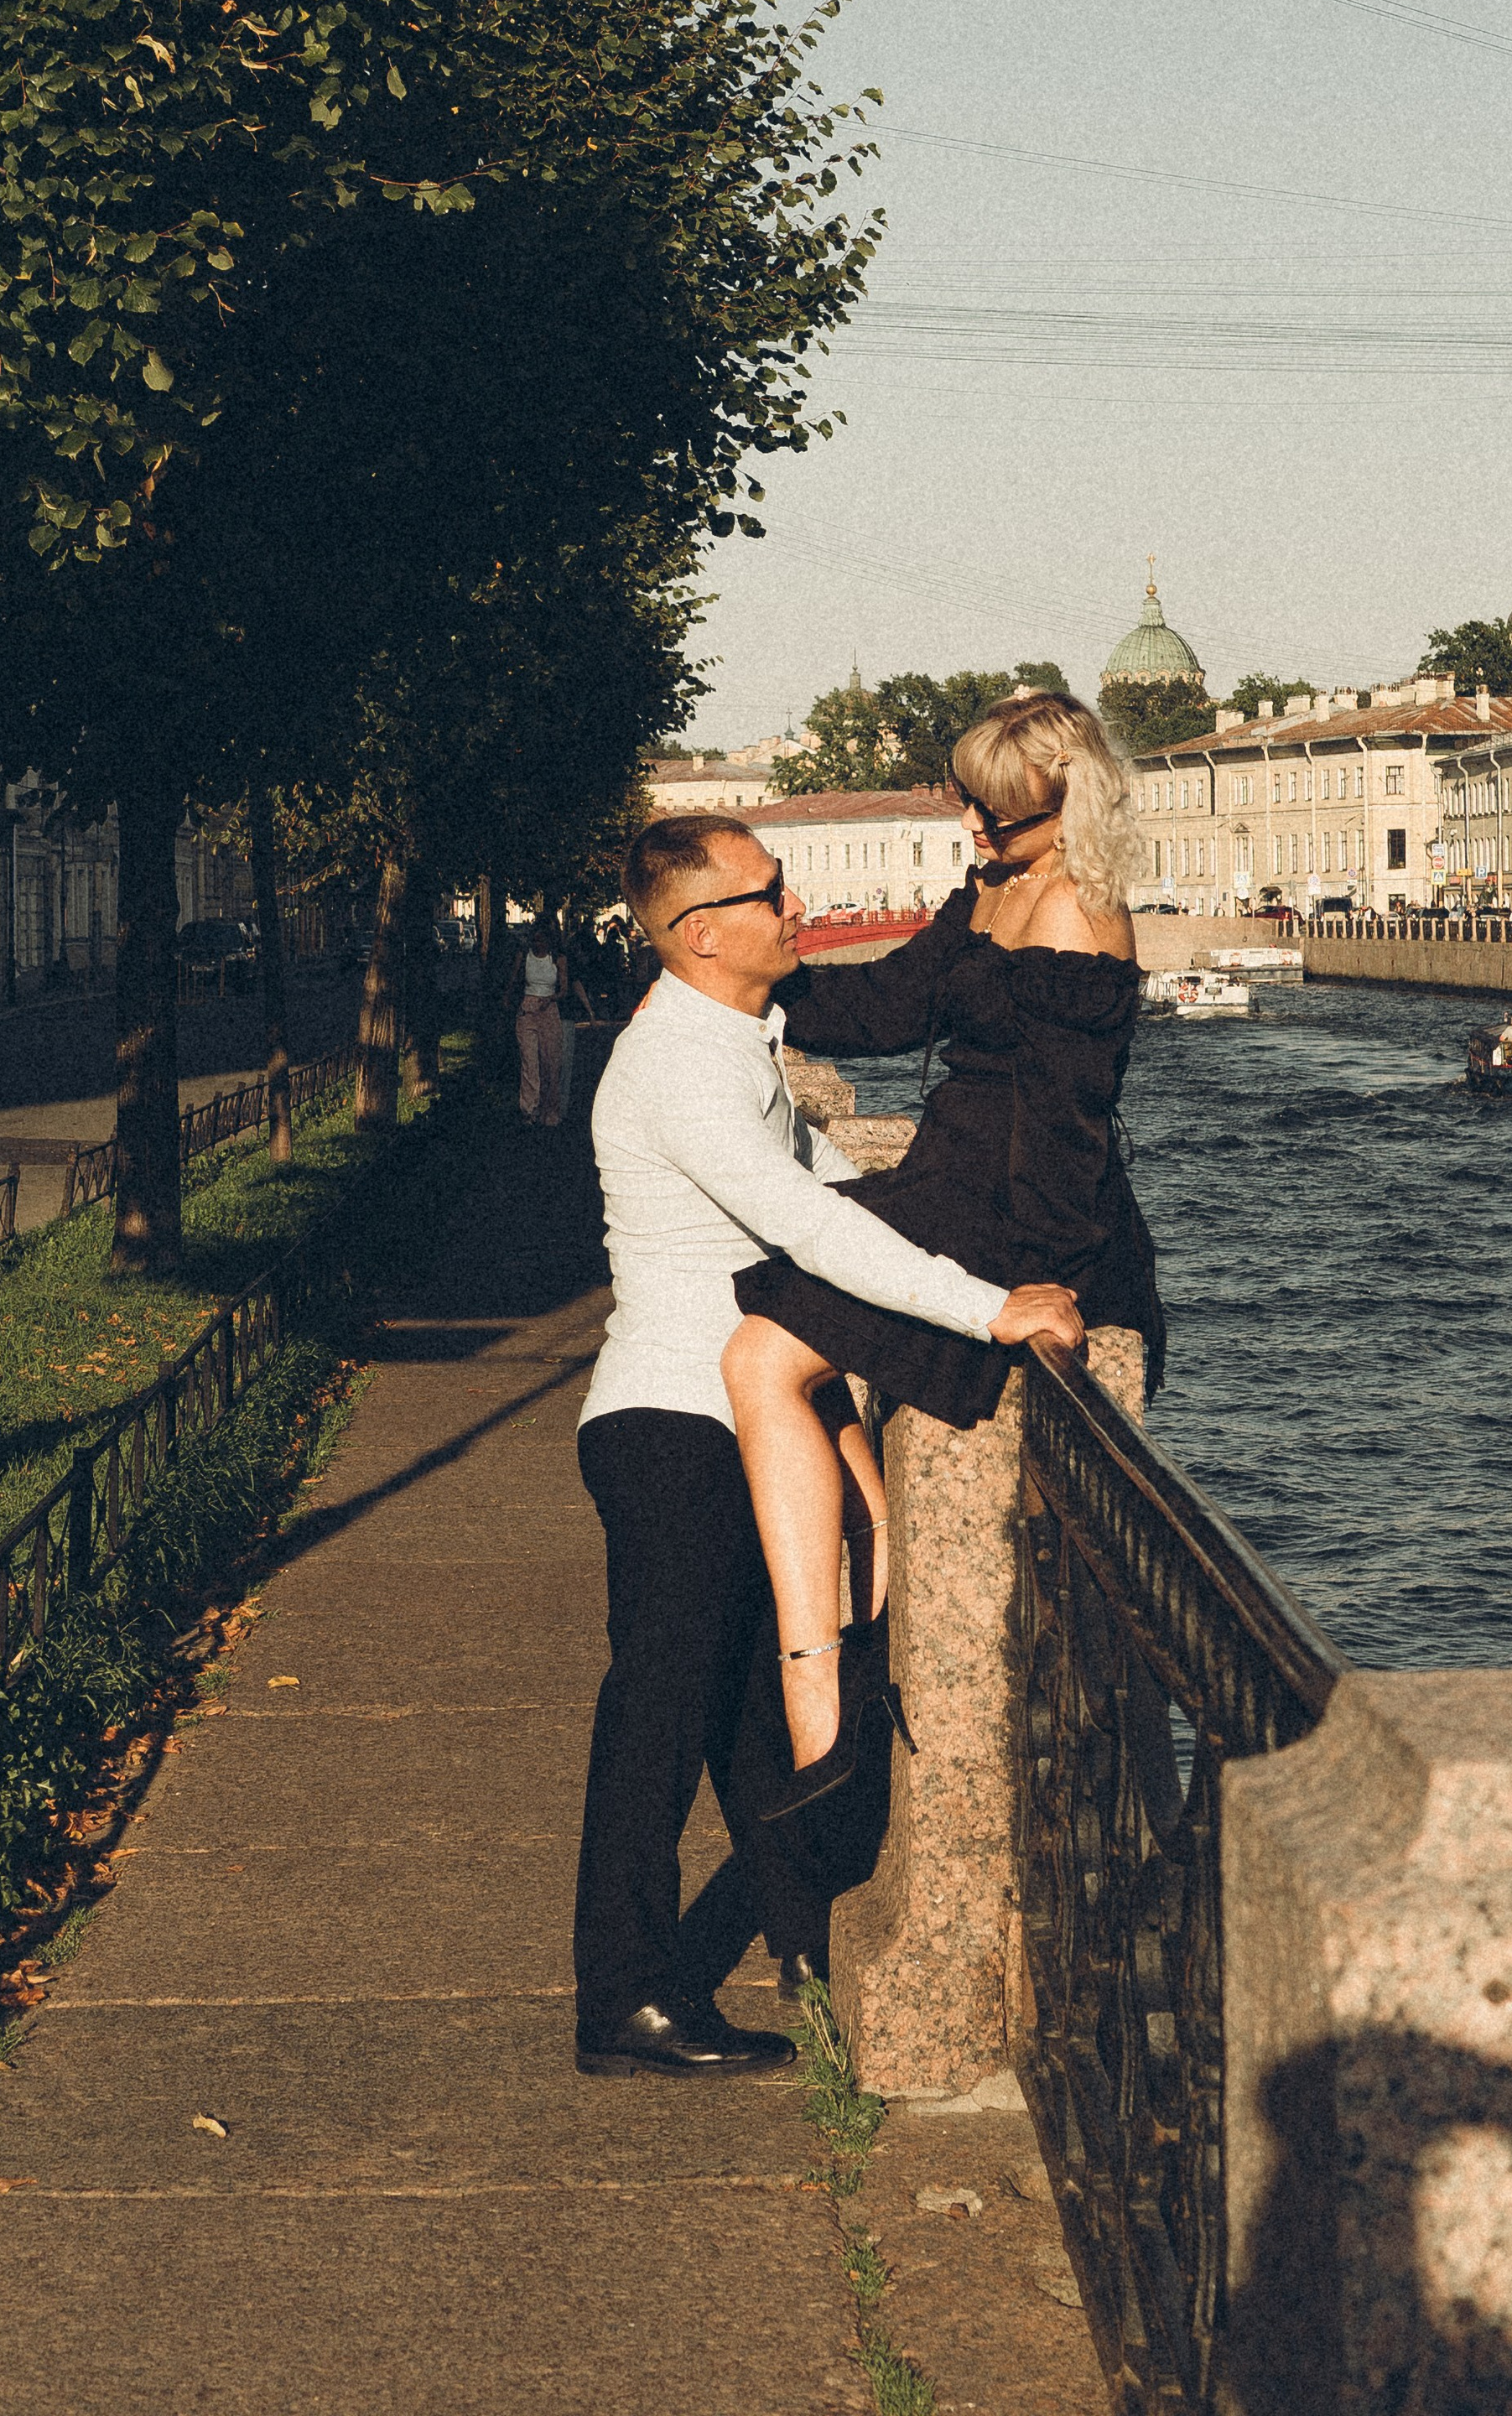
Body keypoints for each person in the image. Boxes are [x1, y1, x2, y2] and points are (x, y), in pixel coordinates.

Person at [573, 810, 1082, 2081]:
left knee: (749, 1710)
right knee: (661, 1711)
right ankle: (622, 2000)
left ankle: (807, 1943)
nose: (795, 904)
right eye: (768, 890)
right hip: (674, 1422)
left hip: (724, 1416)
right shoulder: (683, 1067)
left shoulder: (734, 1037)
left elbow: (848, 1184)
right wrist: (987, 1310)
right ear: (699, 936)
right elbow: (810, 1227)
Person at [720, 690, 1166, 1808]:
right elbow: (883, 1007)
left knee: (768, 1357)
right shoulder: (994, 887)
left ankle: (824, 1710)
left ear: (1071, 809)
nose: (975, 829)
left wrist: (1029, 1280)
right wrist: (745, 991)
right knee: (769, 1341)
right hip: (947, 1178)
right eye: (969, 804)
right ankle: (858, 1621)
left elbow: (1068, 1127)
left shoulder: (1081, 923)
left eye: (1000, 817)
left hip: (1018, 1215)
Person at [508, 912, 591, 1127]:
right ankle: (529, 1110)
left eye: (542, 940)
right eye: (535, 940)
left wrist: (550, 999)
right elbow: (513, 982)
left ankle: (550, 1111)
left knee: (550, 1063)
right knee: (529, 1063)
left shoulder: (558, 959)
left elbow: (564, 989)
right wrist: (511, 1001)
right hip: (528, 1009)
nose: (539, 944)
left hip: (548, 1009)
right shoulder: (524, 956)